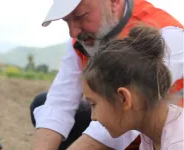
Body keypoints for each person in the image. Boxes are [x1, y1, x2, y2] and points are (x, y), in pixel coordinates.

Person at [30, 0, 184, 149]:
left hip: (158, 133)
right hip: (140, 134)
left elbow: (124, 116)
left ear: (114, 2)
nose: (73, 32)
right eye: (66, 21)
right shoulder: (82, 38)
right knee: (41, 103)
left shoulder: (167, 35)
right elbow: (59, 103)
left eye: (80, 16)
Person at [81, 25, 184, 150]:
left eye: (93, 104)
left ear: (124, 98)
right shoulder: (154, 134)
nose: (93, 117)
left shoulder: (178, 143)